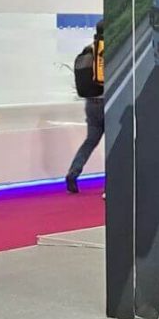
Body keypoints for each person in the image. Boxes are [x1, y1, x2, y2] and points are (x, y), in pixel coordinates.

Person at [66, 20, 104, 193]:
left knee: (90, 141)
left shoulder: (88, 49)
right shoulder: (104, 50)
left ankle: (73, 173)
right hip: (106, 101)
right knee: (115, 143)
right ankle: (113, 184)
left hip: (91, 103)